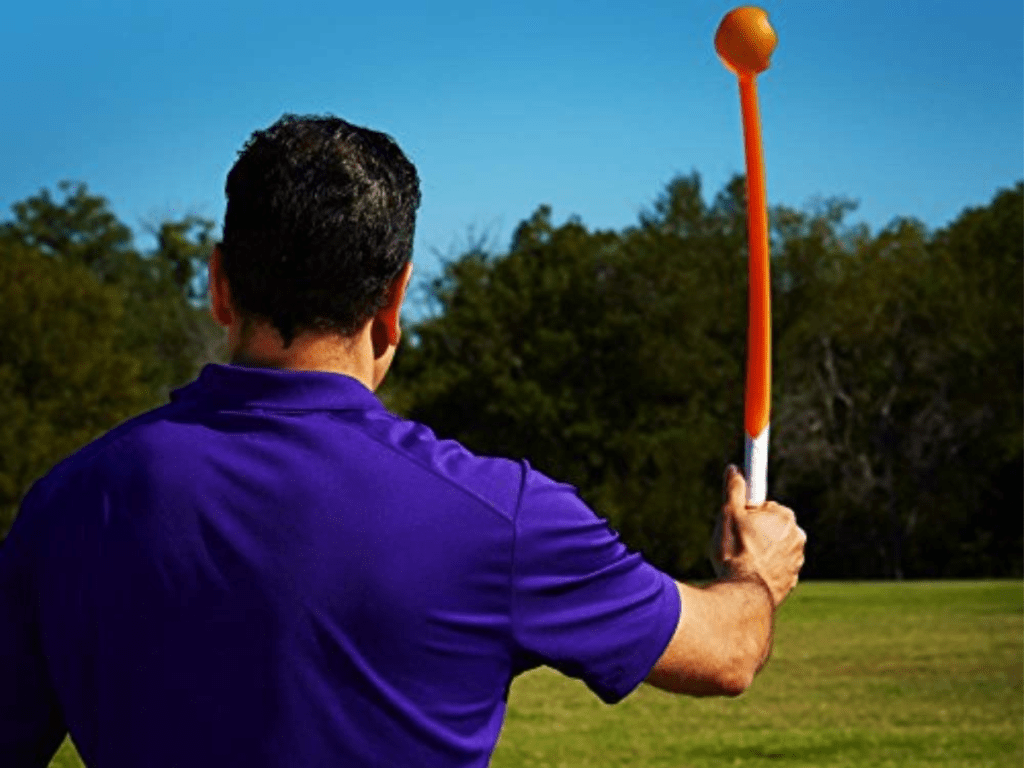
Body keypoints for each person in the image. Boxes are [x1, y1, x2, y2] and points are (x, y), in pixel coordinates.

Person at [0, 114, 806, 767]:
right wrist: (754, 573)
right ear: (393, 300)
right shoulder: (503, 516)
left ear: (218, 283)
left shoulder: (67, 504)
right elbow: (726, 654)